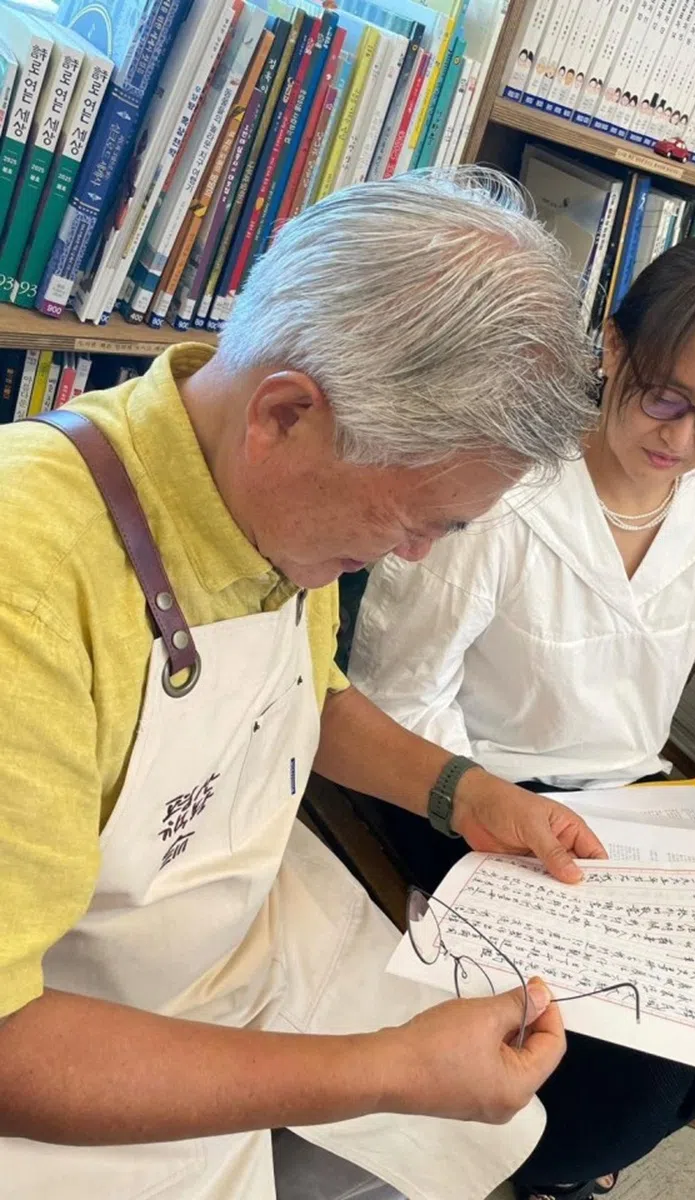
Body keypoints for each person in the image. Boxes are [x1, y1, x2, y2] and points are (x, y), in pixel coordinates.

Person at [0, 168, 608, 1200]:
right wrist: (382, 1073)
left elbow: (301, 692)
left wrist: (463, 792)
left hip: (230, 945)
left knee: (498, 1117)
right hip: (68, 1030)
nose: (413, 557)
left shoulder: (265, 492)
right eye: (418, 518)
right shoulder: (29, 578)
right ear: (284, 414)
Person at [348, 233, 695, 1197]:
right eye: (663, 398)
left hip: (626, 807)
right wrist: (492, 820)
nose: (680, 441)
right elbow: (400, 701)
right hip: (469, 791)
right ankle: (549, 1169)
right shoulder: (505, 494)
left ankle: (568, 1159)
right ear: (610, 348)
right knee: (631, 1051)